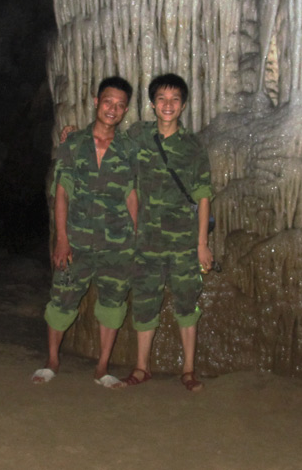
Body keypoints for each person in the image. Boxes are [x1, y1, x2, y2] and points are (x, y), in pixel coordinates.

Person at [31, 76, 138, 388]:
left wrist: (137, 240)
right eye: (108, 102)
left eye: (119, 105)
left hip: (117, 243)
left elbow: (132, 196)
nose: (112, 109)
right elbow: (62, 193)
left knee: (113, 303)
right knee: (62, 298)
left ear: (125, 110)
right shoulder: (73, 144)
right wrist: (62, 239)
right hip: (76, 240)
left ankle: (102, 368)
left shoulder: (129, 150)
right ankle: (52, 360)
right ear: (96, 102)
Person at [121, 73, 214, 392]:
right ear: (152, 103)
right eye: (162, 98)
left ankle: (188, 370)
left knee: (187, 303)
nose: (168, 104)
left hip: (184, 241)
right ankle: (141, 367)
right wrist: (73, 133)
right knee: (145, 301)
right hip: (147, 240)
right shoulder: (138, 136)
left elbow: (203, 195)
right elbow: (106, 141)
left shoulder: (193, 146)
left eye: (175, 99)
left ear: (183, 105)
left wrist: (202, 244)